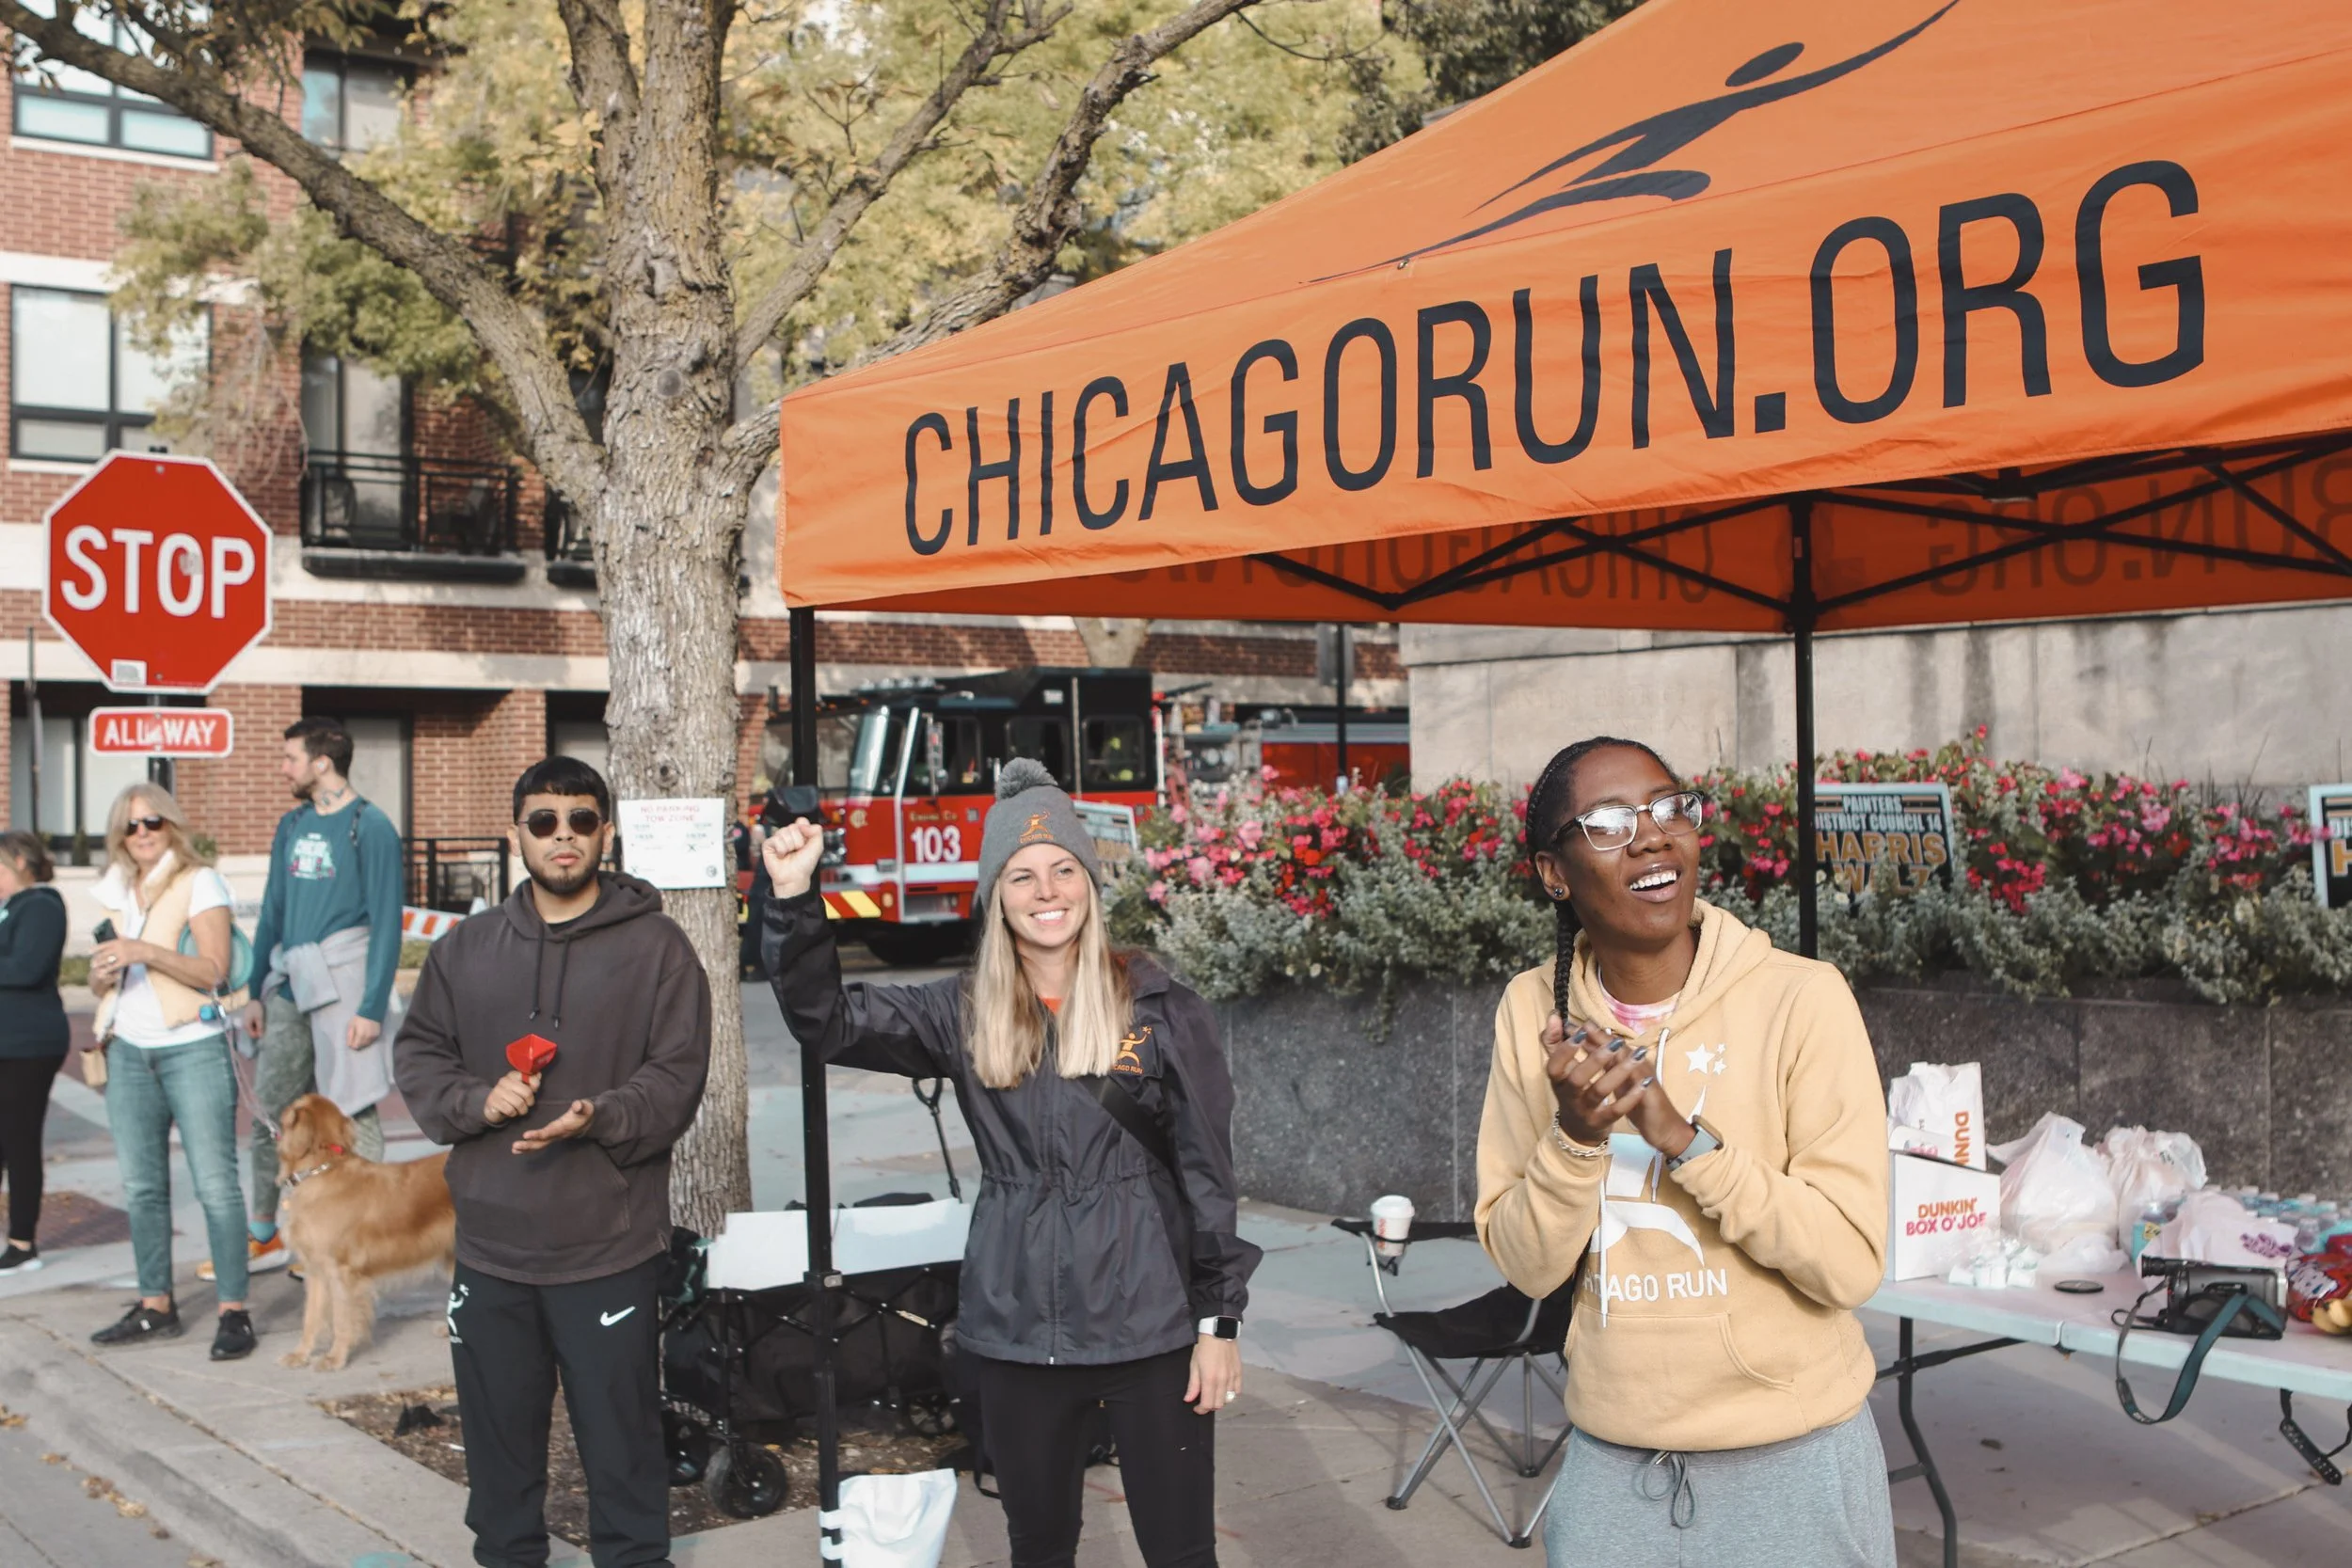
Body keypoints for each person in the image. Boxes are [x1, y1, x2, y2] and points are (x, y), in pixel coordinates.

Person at [762, 755, 1259, 1568]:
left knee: (1181, 1551)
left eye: (1064, 869)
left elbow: (1209, 1176)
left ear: (1092, 884)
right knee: (1038, 1548)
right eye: (1022, 876)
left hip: (1152, 1327)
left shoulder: (1163, 1009)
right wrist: (792, 901)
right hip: (1018, 1329)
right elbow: (826, 1021)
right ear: (995, 895)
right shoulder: (958, 1012)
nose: (1047, 891)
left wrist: (1219, 1322)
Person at [1475, 736, 1893, 1568]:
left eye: (1670, 807)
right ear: (1554, 873)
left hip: (1794, 1461)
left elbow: (1850, 1264)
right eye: (1607, 822)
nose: (1653, 835)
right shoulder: (1534, 1011)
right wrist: (1576, 1138)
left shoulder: (1802, 999)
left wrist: (1689, 1144)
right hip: (1613, 1466)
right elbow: (1527, 1265)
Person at [394, 756, 709, 1568]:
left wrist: (599, 1116)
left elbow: (676, 1076)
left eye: (580, 820)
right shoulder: (467, 949)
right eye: (544, 821)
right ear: (517, 834)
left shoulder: (659, 949)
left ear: (606, 832)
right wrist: (475, 1100)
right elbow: (421, 1051)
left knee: (623, 1449)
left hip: (607, 1246)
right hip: (492, 1249)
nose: (562, 837)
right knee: (499, 1460)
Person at [219, 718, 404, 1282]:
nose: (284, 768)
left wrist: (371, 1008)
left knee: (354, 1108)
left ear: (323, 762)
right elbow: (272, 907)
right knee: (272, 1110)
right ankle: (264, 1231)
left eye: (290, 758)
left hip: (345, 982)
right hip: (288, 983)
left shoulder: (369, 826)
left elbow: (388, 921)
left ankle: (360, 1232)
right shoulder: (292, 824)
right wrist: (253, 990)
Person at [86, 784, 257, 1360]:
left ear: (170, 824)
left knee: (215, 1184)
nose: (141, 832)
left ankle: (234, 1310)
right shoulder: (117, 889)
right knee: (142, 1187)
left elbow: (216, 969)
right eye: (131, 825)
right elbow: (102, 976)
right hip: (128, 1049)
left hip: (192, 1047)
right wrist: (103, 974)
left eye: (151, 821)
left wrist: (144, 952)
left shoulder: (198, 881)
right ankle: (155, 1304)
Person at [0, 830, 69, 1274]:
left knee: (20, 1141)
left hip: (29, 1046)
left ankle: (23, 1243)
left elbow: (26, 968)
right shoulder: (10, 908)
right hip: (7, 1043)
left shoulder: (42, 905)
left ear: (21, 862)